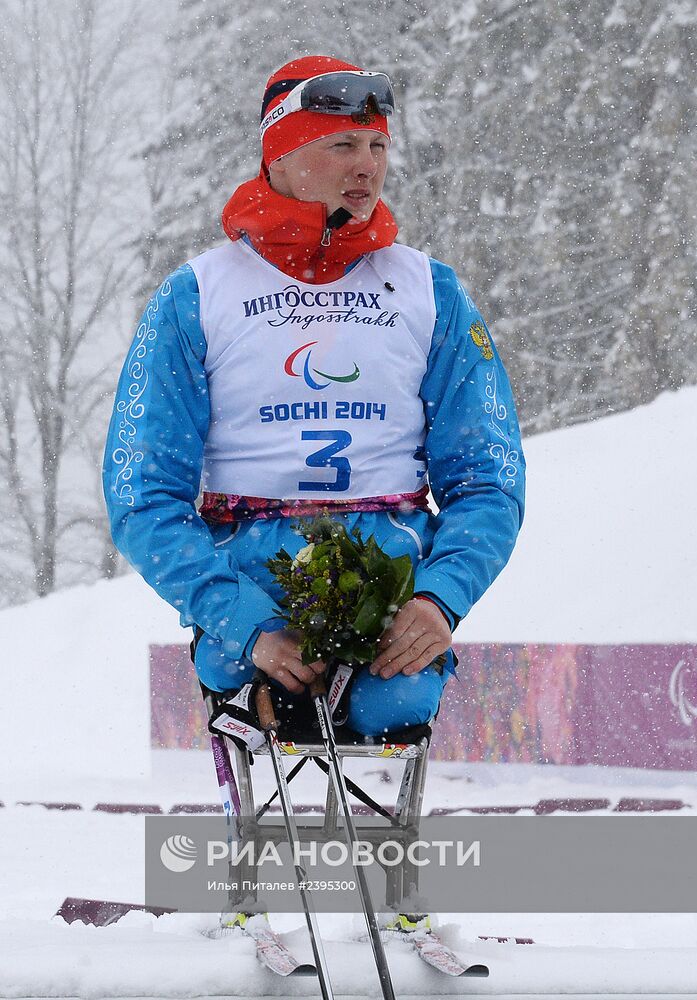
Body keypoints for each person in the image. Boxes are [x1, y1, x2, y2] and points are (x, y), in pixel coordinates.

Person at [103, 55, 525, 740]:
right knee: (274, 700)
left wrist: (438, 601)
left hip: (389, 580)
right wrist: (238, 620)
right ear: (283, 153)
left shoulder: (431, 291)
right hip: (251, 575)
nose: (367, 165)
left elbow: (489, 478)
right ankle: (255, 721)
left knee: (394, 709)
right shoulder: (195, 296)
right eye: (341, 145)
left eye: (377, 145)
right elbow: (141, 490)